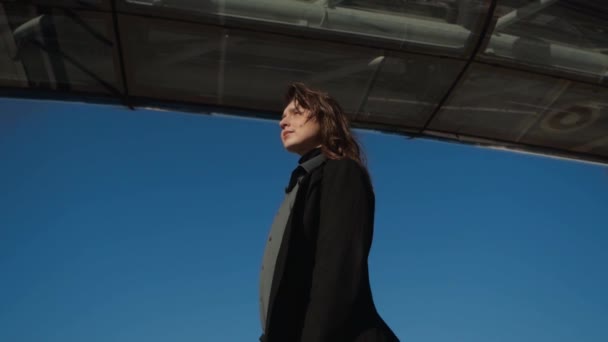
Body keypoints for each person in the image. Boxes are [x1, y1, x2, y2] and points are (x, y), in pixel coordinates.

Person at [259, 83, 399, 342]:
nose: (283, 122)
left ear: (326, 119)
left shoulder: (341, 172)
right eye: (282, 115)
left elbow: (338, 271)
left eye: (297, 112)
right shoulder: (301, 184)